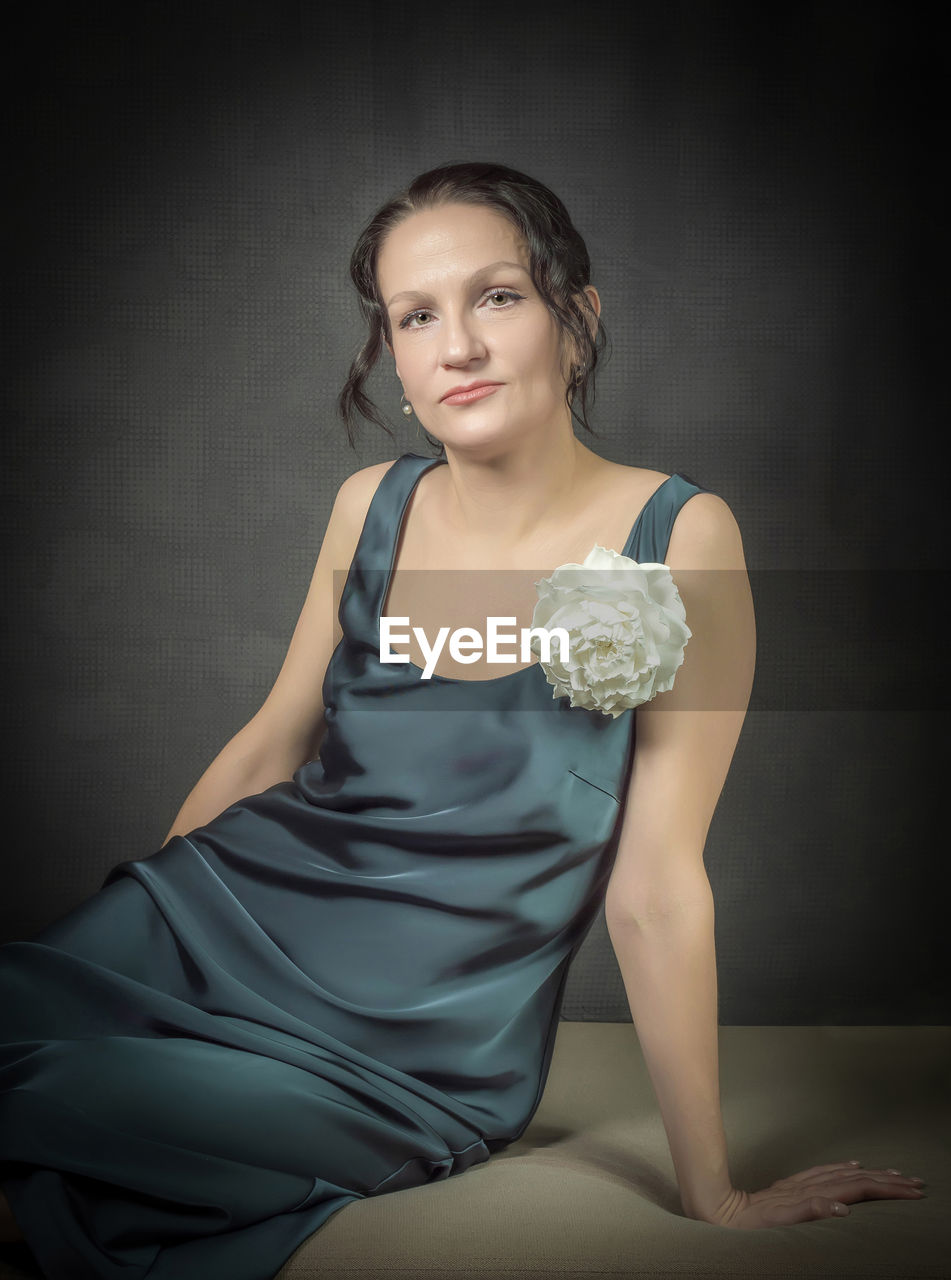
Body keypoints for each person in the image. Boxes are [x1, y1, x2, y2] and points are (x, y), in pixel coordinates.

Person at [0, 161, 925, 1275]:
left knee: (74, 1112)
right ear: (393, 356)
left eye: (498, 296)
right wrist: (152, 964)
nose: (459, 346)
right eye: (417, 316)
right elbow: (268, 742)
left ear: (576, 317)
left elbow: (655, 881)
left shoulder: (678, 536)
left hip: (418, 1046)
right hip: (231, 922)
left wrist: (712, 1189)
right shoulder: (369, 506)